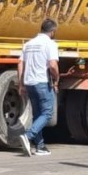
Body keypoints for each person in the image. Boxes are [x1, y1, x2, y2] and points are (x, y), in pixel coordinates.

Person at [17, 18, 60, 157]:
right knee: (47, 113)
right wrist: (56, 79)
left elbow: (20, 63)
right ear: (52, 32)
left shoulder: (28, 44)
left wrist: (21, 83)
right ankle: (28, 136)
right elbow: (53, 65)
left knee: (37, 114)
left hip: (29, 83)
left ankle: (40, 146)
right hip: (42, 82)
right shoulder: (50, 44)